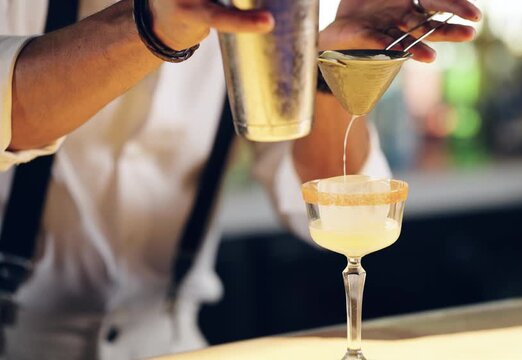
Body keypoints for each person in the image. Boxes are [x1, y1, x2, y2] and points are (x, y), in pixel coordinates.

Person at [0, 0, 481, 358]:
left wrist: (332, 71)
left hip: (173, 344)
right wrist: (151, 26)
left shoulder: (263, 9)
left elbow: (332, 199)